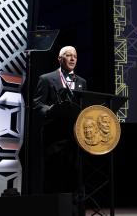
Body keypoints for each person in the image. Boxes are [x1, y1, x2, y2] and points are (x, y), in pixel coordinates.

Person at [33, 46, 87, 194]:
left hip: (76, 137)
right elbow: (37, 104)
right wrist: (51, 110)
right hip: (54, 136)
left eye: (75, 56)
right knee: (54, 177)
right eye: (68, 55)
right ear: (59, 59)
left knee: (75, 177)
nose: (72, 59)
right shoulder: (46, 79)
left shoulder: (82, 82)